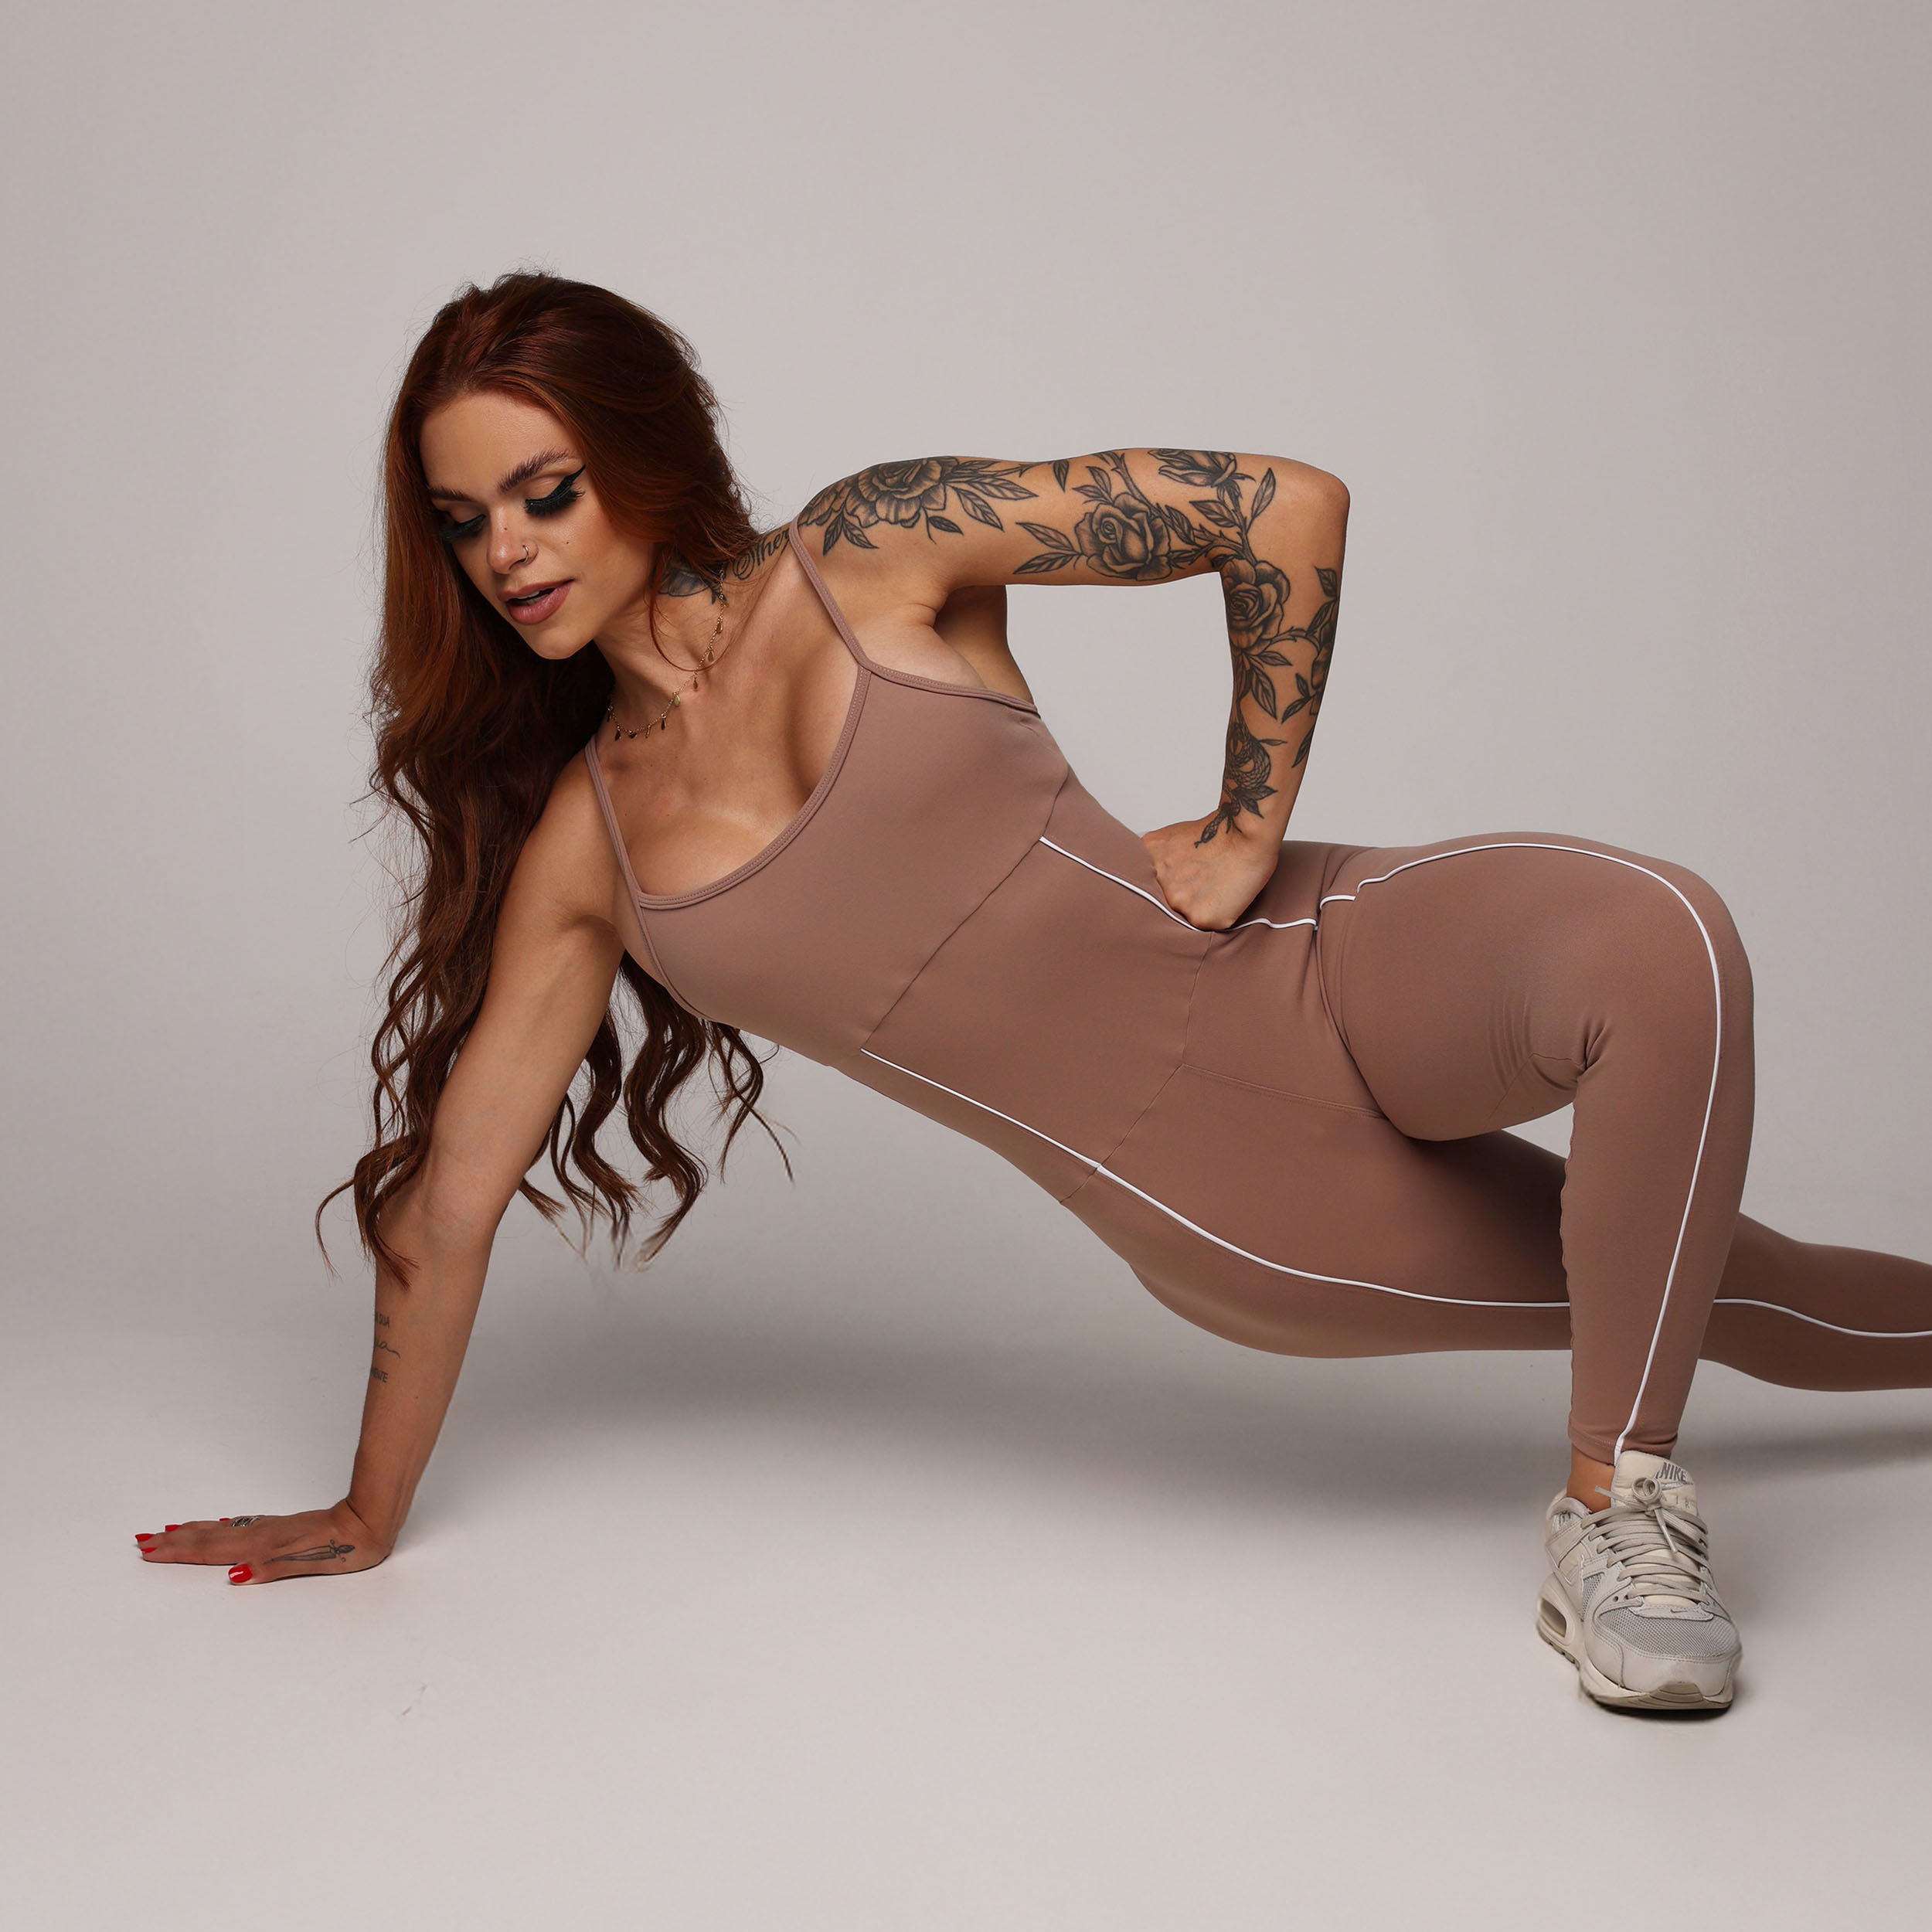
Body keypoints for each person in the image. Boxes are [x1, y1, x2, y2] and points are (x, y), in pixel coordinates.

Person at [134, 272, 1932, 1713]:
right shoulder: (587, 856)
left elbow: (1280, 508)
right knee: (1737, 1287)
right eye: (467, 522)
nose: (513, 552)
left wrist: (1246, 820)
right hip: (1232, 1189)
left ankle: (1616, 1514)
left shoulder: (869, 547)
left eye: (548, 491)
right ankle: (1643, 1500)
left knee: (1660, 938)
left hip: (1316, 946)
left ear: (643, 454)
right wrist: (367, 1504)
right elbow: (450, 1206)